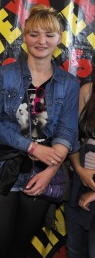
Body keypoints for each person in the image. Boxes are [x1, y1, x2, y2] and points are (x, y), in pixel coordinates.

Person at [0, 4, 79, 258]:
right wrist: (32, 147)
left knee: (19, 248)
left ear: (59, 39)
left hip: (43, 174)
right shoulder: (6, 75)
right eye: (34, 34)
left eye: (49, 35)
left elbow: (68, 132)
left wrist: (51, 170)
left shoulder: (68, 83)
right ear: (24, 37)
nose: (41, 41)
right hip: (5, 168)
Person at [65, 70, 95, 258]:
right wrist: (79, 169)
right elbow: (71, 137)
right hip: (79, 182)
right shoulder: (88, 90)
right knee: (75, 249)